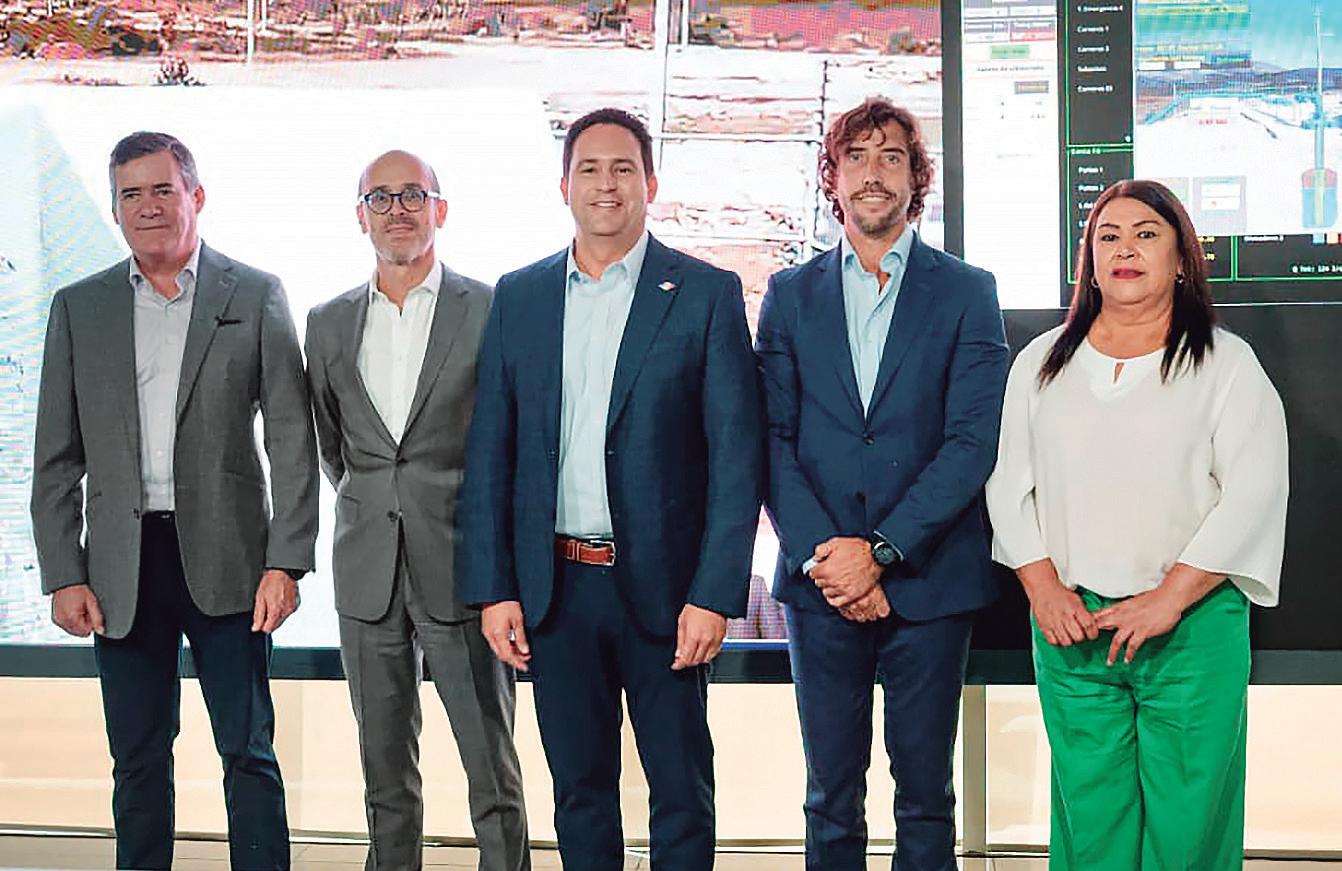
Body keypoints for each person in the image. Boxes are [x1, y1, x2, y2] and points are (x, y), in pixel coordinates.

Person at [458, 107, 764, 870]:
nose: (606, 184)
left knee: (681, 792)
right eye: (589, 169)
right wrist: (495, 589)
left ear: (650, 184)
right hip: (555, 591)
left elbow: (736, 457)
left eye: (623, 168)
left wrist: (714, 594)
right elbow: (492, 450)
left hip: (667, 593)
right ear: (563, 185)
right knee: (579, 792)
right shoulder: (521, 295)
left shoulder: (704, 293)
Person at [29, 131, 318, 870]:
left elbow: (292, 438)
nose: (148, 206)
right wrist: (64, 572)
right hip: (120, 570)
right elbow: (56, 457)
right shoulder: (79, 307)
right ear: (115, 208)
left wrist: (286, 561)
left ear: (197, 196)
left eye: (163, 189)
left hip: (232, 563)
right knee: (137, 758)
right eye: (131, 194)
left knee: (248, 751)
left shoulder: (254, 294)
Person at [985, 178, 1289, 870]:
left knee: (1190, 826)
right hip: (1073, 629)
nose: (1125, 249)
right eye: (1109, 236)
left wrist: (1168, 599)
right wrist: (1043, 589)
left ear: (1181, 259)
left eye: (1146, 235)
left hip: (1190, 628)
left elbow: (1254, 491)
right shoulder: (1042, 363)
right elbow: (1008, 486)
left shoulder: (1225, 363)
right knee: (1090, 822)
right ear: (1090, 261)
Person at [755, 97, 1008, 871]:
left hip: (930, 582)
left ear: (916, 177)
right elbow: (771, 440)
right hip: (821, 586)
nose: (874, 173)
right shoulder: (789, 294)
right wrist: (830, 558)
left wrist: (883, 552)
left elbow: (972, 443)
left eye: (892, 156)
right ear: (832, 178)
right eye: (857, 157)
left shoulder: (967, 290)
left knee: (925, 797)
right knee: (829, 797)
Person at [305, 151, 530, 871]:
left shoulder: (490, 308)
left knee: (490, 769)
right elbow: (335, 448)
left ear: (441, 208)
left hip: (464, 569)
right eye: (380, 197)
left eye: (413, 194)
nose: (396, 208)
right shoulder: (327, 322)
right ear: (360, 216)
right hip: (367, 571)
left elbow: (512, 443)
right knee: (383, 774)